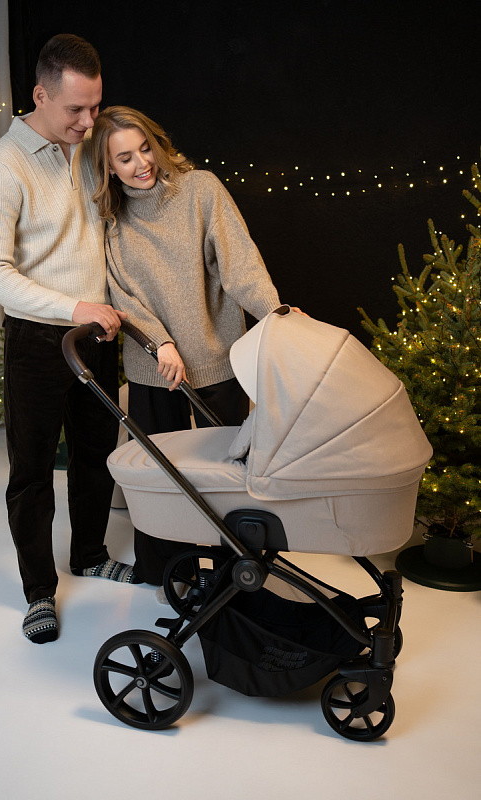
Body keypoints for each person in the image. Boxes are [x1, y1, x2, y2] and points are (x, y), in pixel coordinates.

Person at [90, 105, 303, 587]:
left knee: (227, 472)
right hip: (152, 363)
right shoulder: (111, 219)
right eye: (125, 158)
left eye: (145, 148)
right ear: (108, 168)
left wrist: (276, 313)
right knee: (158, 472)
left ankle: (236, 572)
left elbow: (240, 264)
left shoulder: (201, 189)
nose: (142, 163)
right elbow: (121, 293)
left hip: (216, 355)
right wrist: (160, 345)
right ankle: (167, 573)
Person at [0, 35, 132, 645]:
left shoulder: (90, 149)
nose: (89, 122)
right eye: (75, 109)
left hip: (98, 333)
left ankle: (89, 554)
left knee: (97, 455)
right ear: (40, 95)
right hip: (38, 342)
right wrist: (73, 307)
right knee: (32, 471)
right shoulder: (2, 166)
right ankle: (38, 591)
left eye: (96, 106)